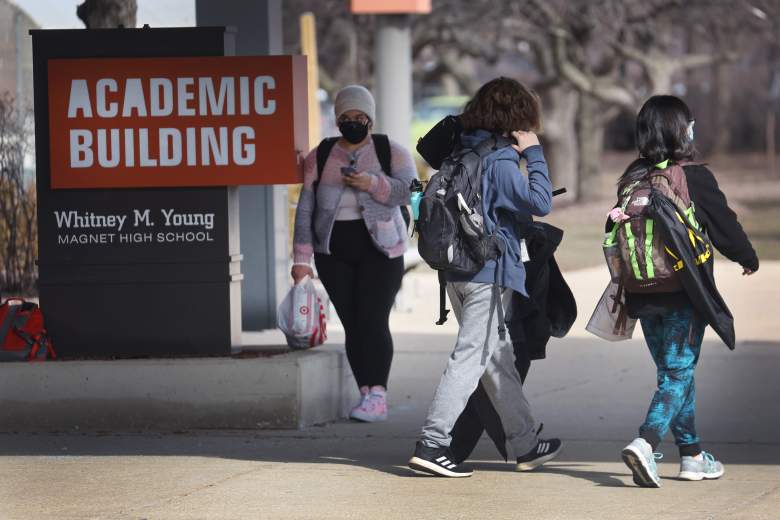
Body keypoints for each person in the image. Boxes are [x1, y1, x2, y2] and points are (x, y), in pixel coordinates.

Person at [407, 77, 562, 478]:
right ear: (518, 118)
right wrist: (534, 154)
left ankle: (525, 443)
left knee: (497, 359)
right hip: (487, 274)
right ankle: (433, 442)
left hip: (457, 271)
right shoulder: (500, 160)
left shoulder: (461, 149)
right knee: (472, 357)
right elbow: (540, 202)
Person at [613, 95, 759, 487]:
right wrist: (747, 257)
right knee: (677, 374)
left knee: (673, 374)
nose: (694, 128)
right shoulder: (693, 177)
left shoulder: (632, 179)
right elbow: (725, 226)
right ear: (680, 130)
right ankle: (646, 441)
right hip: (682, 293)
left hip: (642, 294)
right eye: (689, 122)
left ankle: (693, 456)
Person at [292, 85, 417, 423]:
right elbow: (306, 207)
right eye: (345, 117)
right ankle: (365, 392)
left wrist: (372, 184)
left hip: (381, 249)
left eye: (359, 117)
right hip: (333, 252)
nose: (352, 123)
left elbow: (410, 191)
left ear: (370, 119)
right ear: (336, 119)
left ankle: (379, 393)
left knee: (373, 318)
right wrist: (301, 260)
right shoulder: (320, 155)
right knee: (352, 323)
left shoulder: (391, 151)